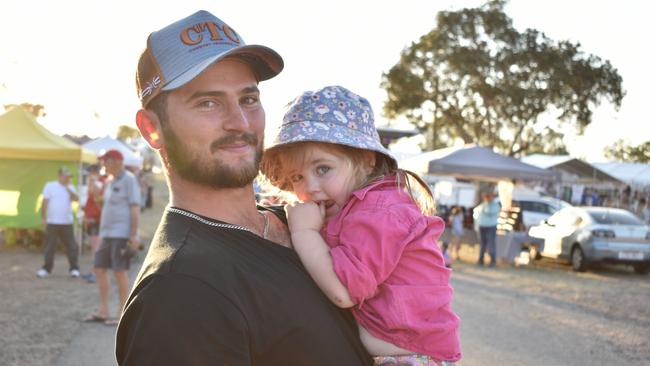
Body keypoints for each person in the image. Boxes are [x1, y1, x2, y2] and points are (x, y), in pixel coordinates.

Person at [116, 11, 372, 365]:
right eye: (208, 103)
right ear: (152, 129)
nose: (240, 122)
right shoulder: (180, 292)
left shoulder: (300, 218)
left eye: (249, 99)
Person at [260, 85, 461, 365]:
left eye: (323, 169)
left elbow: (342, 292)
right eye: (296, 178)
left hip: (410, 357)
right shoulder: (350, 210)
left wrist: (303, 232)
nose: (310, 188)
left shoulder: (379, 211)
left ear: (366, 161)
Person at [84, 149, 141, 326]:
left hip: (121, 234)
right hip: (107, 234)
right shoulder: (110, 181)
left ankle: (121, 313)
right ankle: (104, 311)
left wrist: (133, 234)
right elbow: (103, 204)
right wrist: (95, 193)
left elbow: (135, 208)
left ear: (116, 161)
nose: (103, 165)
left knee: (119, 271)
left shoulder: (129, 180)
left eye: (105, 161)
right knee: (99, 268)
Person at [36, 166, 81, 278]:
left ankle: (74, 268)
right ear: (60, 176)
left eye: (69, 177)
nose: (67, 178)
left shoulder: (70, 187)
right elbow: (45, 202)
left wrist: (68, 188)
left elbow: (76, 199)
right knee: (49, 246)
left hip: (67, 222)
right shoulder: (50, 186)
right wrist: (43, 217)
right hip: (52, 222)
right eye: (66, 176)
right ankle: (46, 268)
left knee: (71, 246)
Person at [81, 164, 104, 283]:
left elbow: (99, 205)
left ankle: (95, 273)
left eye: (91, 173)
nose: (89, 175)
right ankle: (93, 271)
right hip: (92, 221)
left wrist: (92, 218)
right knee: (94, 248)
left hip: (96, 222)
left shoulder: (97, 185)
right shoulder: (93, 186)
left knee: (96, 249)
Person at [474, 191, 500, 267]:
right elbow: (477, 212)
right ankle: (481, 259)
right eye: (486, 196)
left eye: (489, 196)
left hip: (491, 226)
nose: (487, 198)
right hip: (482, 226)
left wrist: (487, 204)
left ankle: (493, 260)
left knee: (491, 244)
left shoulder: (495, 205)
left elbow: (488, 211)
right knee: (483, 244)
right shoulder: (483, 204)